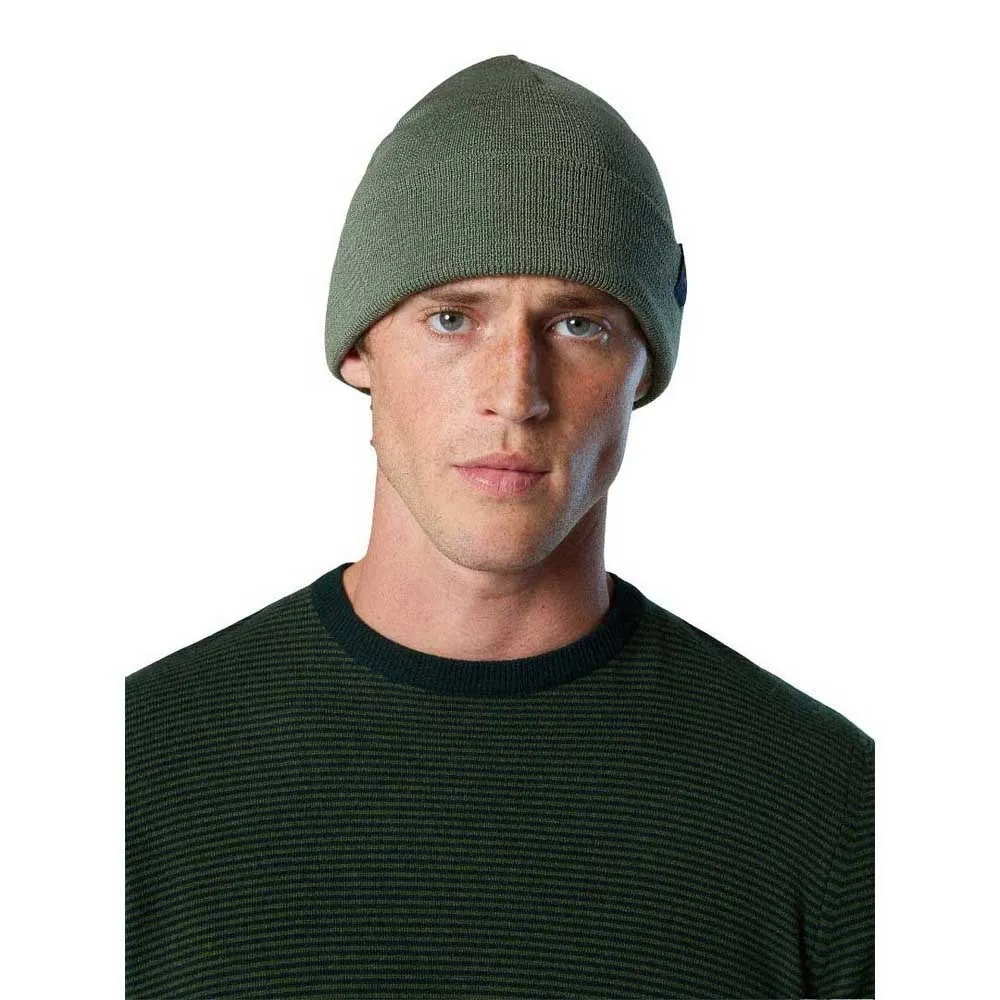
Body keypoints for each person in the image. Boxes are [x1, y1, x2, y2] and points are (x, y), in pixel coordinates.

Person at [125, 54, 874, 998]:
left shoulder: (829, 809)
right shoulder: (128, 776)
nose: (514, 395)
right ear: (359, 348)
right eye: (452, 319)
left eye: (578, 325)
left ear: (645, 368)